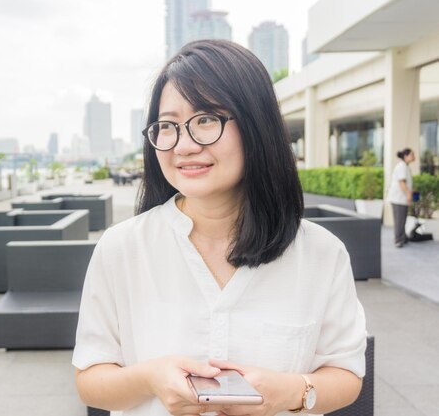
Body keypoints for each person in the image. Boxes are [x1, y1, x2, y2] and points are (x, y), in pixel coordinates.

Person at [73, 40, 367, 416]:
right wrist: (151, 378)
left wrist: (291, 392)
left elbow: (345, 373)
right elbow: (90, 379)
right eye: (167, 125)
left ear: (256, 125)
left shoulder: (320, 253)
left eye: (206, 119)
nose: (184, 144)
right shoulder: (122, 248)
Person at [387, 148, 415, 248]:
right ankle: (398, 240)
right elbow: (402, 183)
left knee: (402, 219)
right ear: (405, 156)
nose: (414, 157)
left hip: (400, 198)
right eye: (412, 155)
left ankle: (403, 237)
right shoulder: (401, 166)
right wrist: (409, 194)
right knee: (399, 220)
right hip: (398, 198)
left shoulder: (405, 166)